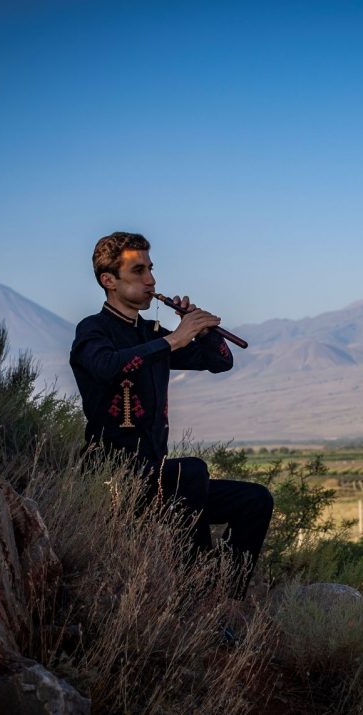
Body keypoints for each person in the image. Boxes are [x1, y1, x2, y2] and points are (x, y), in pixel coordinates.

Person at [70, 231, 273, 599]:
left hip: (160, 478)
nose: (151, 280)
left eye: (151, 269)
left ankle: (221, 597)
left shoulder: (150, 333)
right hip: (114, 478)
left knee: (255, 500)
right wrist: (174, 340)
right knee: (191, 471)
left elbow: (220, 362)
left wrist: (201, 329)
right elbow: (105, 367)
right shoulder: (93, 330)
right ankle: (193, 590)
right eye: (138, 271)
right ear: (109, 281)